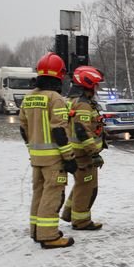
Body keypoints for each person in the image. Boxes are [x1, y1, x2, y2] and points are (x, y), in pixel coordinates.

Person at [19, 52, 78, 249]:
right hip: (54, 158)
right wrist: (69, 157)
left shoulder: (29, 98)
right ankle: (49, 235)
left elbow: (23, 129)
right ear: (59, 76)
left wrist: (32, 149)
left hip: (36, 157)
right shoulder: (55, 99)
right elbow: (60, 130)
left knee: (39, 193)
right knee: (52, 195)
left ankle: (36, 230)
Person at [60, 66, 106, 230]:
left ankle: (68, 213)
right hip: (83, 155)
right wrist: (94, 153)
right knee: (87, 187)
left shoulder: (71, 101)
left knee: (80, 184)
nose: (96, 89)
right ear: (88, 85)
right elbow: (82, 130)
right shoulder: (83, 105)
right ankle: (81, 221)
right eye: (95, 85)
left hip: (75, 153)